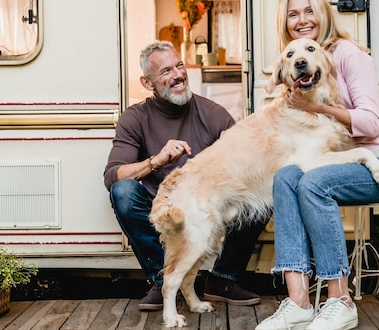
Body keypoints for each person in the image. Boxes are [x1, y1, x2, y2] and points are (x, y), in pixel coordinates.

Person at [254, 0, 379, 330]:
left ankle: (340, 299)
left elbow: (370, 123)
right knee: (285, 177)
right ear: (284, 23)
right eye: (293, 14)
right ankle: (298, 303)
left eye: (309, 10)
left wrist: (314, 106)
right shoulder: (302, 60)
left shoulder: (346, 53)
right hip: (353, 159)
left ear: (324, 13)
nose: (302, 20)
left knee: (314, 183)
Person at [104, 40, 267, 311]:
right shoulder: (134, 118)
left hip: (208, 207)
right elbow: (113, 175)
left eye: (179, 66)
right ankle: (162, 280)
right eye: (166, 71)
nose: (178, 75)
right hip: (163, 209)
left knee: (264, 193)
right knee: (122, 191)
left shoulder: (214, 113)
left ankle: (223, 279)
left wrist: (238, 149)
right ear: (148, 82)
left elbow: (248, 169)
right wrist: (156, 161)